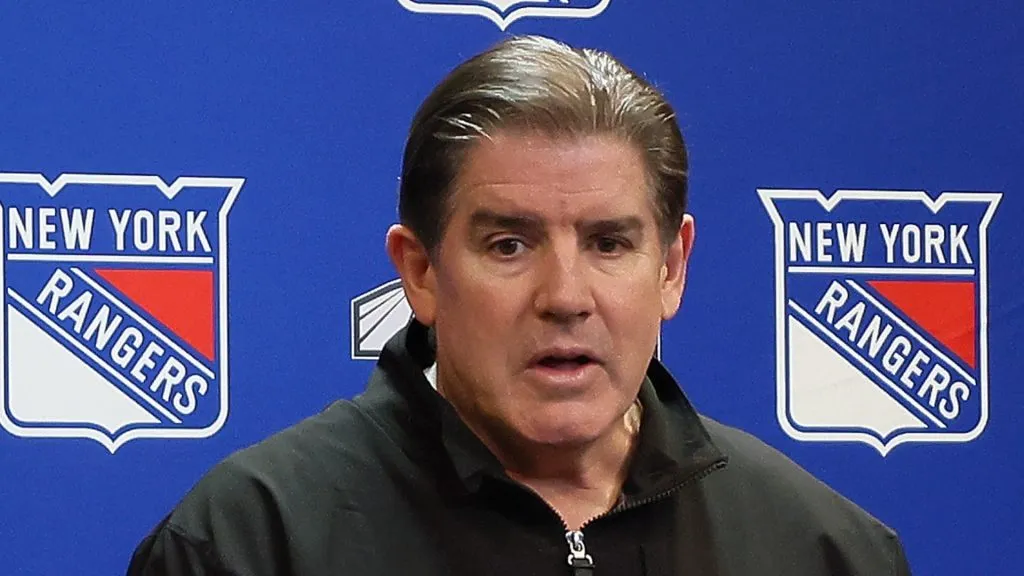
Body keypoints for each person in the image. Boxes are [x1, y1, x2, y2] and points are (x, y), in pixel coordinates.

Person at [127, 35, 912, 575]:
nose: (566, 297)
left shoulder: (822, 550)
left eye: (609, 244)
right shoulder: (249, 542)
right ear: (422, 271)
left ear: (671, 269)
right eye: (510, 245)